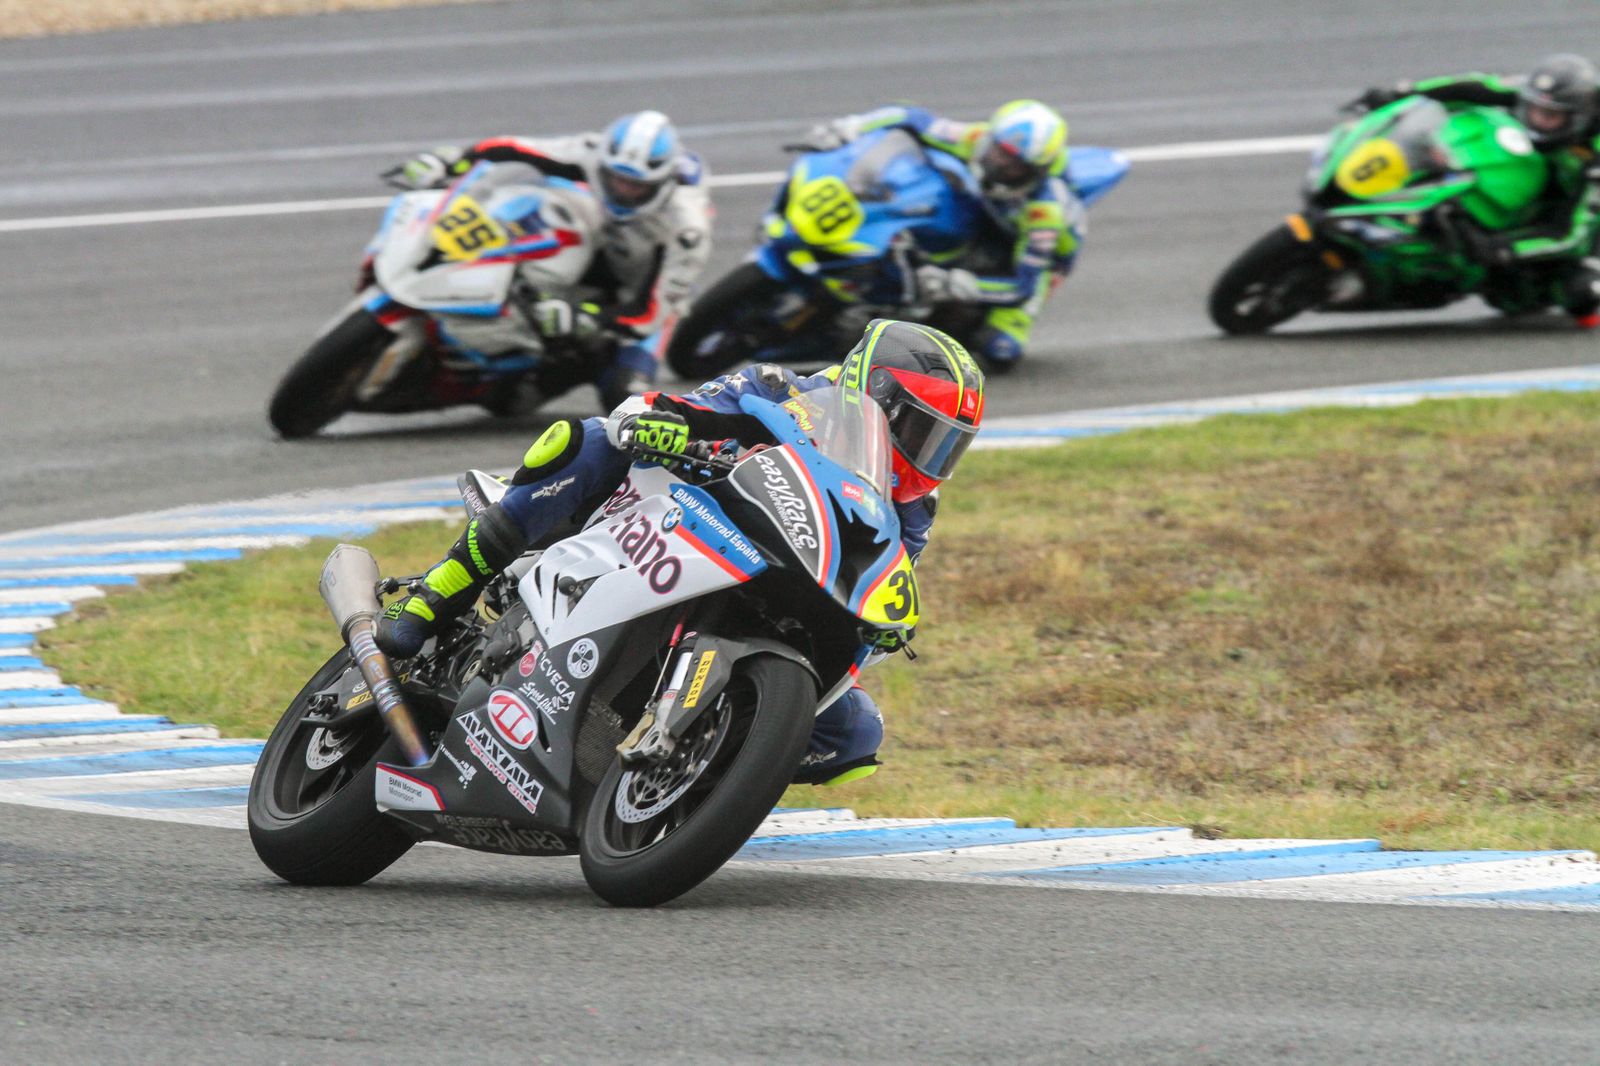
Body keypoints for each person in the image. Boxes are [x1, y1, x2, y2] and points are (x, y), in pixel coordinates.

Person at [374, 319, 986, 786]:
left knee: (852, 737)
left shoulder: (909, 513)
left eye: (946, 448)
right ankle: (439, 591)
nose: (928, 459)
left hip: (770, 582)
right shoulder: (776, 390)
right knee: (582, 441)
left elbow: (876, 584)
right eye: (920, 432)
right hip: (662, 516)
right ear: (871, 393)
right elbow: (678, 407)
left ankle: (703, 772)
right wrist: (660, 422)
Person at [392, 110, 713, 402]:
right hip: (605, 251)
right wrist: (452, 161)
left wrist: (589, 320)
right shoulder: (591, 151)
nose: (623, 191)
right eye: (616, 179)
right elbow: (512, 148)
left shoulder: (687, 228)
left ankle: (546, 379)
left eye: (636, 186)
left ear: (662, 181)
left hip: (647, 294)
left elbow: (651, 312)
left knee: (623, 398)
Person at [805, 99, 1086, 372]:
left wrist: (957, 283)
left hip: (1040, 259)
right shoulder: (975, 139)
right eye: (999, 152)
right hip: (984, 217)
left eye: (1014, 165)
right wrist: (849, 128)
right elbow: (910, 117)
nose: (999, 164)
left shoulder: (1043, 212)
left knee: (999, 350)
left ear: (1034, 171)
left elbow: (1023, 286)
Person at [1351, 54, 1600, 325]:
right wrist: (1403, 93)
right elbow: (1475, 86)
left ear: (1578, 118)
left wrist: (1504, 249)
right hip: (1541, 185)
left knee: (1575, 291)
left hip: (1584, 222)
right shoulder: (1542, 96)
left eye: (1549, 116)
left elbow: (1572, 234)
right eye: (1533, 109)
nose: (1535, 120)